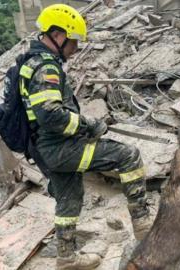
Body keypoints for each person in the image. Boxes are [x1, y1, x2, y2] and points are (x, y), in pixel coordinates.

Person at [17, 4, 153, 269]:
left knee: (69, 196)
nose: (76, 48)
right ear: (58, 36)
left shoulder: (29, 62)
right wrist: (88, 124)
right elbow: (51, 116)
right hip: (58, 147)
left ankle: (67, 258)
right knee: (129, 156)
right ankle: (145, 229)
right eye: (74, 41)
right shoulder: (46, 69)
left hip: (43, 147)